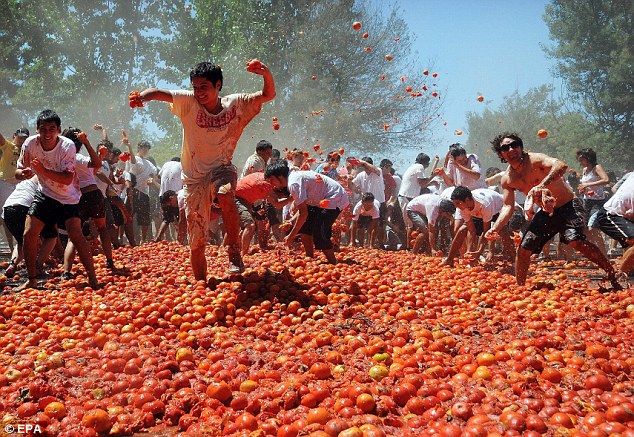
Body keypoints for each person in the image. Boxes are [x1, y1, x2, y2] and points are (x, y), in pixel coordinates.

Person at [131, 59, 275, 278]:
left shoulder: (236, 104)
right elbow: (160, 92)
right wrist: (142, 96)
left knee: (225, 193)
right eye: (195, 87)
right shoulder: (189, 102)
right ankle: (201, 286)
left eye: (204, 87)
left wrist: (266, 73)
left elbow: (267, 95)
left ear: (218, 85)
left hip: (222, 170)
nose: (199, 93)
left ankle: (234, 253)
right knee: (197, 244)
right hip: (194, 181)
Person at [484, 133, 624, 287]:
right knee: (524, 248)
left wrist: (542, 184)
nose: (511, 149)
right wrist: (495, 228)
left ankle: (612, 273)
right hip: (547, 213)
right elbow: (508, 206)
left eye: (514, 144)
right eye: (505, 147)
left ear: (521, 147)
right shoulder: (507, 179)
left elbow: (561, 165)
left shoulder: (535, 159)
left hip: (569, 206)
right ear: (500, 153)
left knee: (575, 240)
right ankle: (520, 287)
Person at [15, 110, 99, 290]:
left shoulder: (67, 146)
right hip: (45, 194)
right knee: (29, 233)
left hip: (68, 197)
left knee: (76, 236)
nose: (47, 133)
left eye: (51, 129)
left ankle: (93, 278)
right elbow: (18, 171)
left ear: (58, 130)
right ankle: (32, 279)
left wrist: (42, 171)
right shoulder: (30, 144)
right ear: (37, 130)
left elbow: (67, 178)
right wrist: (24, 174)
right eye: (43, 129)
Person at [265, 160, 349, 264]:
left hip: (334, 197)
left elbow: (303, 213)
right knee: (305, 227)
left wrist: (291, 236)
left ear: (280, 177)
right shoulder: (293, 178)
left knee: (319, 231)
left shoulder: (293, 183)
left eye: (272, 180)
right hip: (319, 200)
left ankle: (333, 262)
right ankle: (310, 258)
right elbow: (303, 209)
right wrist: (291, 221)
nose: (272, 184)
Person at [59, 127, 114, 276]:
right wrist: (89, 144)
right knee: (102, 229)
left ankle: (67, 271)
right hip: (94, 195)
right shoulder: (77, 157)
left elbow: (93, 171)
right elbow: (95, 166)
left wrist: (100, 157)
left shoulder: (62, 158)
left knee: (74, 236)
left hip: (78, 198)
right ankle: (110, 261)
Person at [442, 186, 514, 265]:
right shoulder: (462, 207)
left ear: (467, 200)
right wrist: (469, 251)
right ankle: (449, 259)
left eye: (458, 203)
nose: (456, 206)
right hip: (479, 212)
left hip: (498, 209)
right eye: (455, 203)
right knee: (461, 230)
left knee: (503, 233)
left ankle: (514, 259)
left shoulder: (484, 205)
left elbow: (486, 230)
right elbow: (471, 229)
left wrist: (479, 252)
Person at [234, 171, 292, 255]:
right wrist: (291, 199)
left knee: (243, 227)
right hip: (237, 198)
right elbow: (277, 205)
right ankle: (243, 255)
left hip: (245, 200)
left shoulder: (265, 178)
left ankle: (237, 250)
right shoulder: (267, 186)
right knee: (249, 226)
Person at [596, 172, 634, 276]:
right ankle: (620, 276)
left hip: (624, 214)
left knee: (630, 243)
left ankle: (629, 272)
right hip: (610, 215)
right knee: (632, 240)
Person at [0, 128, 29, 252]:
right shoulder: (8, 146)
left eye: (25, 137)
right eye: (21, 137)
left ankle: (20, 246)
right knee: (5, 216)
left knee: (20, 215)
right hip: (5, 184)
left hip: (20, 185)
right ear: (14, 135)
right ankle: (12, 247)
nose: (23, 139)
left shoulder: (27, 149)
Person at [576, 148, 610, 255]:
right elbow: (586, 186)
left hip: (598, 202)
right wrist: (583, 190)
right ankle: (594, 255)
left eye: (582, 159)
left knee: (593, 228)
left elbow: (606, 180)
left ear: (588, 158)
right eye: (579, 160)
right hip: (586, 202)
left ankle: (604, 255)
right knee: (586, 230)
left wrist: (588, 185)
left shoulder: (597, 167)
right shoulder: (584, 170)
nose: (580, 162)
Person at [125, 140, 157, 243]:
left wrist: (152, 179)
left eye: (147, 148)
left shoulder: (148, 163)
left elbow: (154, 174)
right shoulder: (134, 159)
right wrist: (129, 146)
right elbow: (133, 161)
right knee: (129, 216)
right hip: (132, 191)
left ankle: (143, 240)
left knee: (145, 218)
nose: (145, 150)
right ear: (138, 148)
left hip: (144, 192)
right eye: (143, 148)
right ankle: (130, 240)